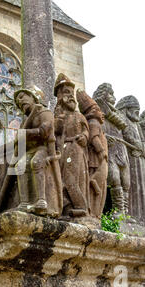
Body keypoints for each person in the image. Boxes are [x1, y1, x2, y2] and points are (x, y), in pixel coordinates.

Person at [12, 85, 62, 217]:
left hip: (43, 148)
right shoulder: (26, 120)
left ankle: (41, 200)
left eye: (23, 97)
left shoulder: (44, 113)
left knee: (36, 162)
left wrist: (25, 133)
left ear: (34, 97)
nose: (20, 101)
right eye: (18, 101)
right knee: (20, 166)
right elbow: (19, 138)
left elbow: (45, 131)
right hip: (30, 149)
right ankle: (24, 203)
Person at [54, 74, 90, 218]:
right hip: (62, 148)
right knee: (61, 178)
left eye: (72, 93)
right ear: (59, 96)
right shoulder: (58, 115)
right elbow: (55, 131)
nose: (71, 97)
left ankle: (81, 206)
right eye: (66, 93)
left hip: (75, 147)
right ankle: (66, 205)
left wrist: (84, 136)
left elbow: (86, 130)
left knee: (71, 179)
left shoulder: (79, 116)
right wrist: (59, 119)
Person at [93, 84, 131, 217]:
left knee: (126, 181)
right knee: (115, 178)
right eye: (110, 94)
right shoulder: (98, 108)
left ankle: (124, 213)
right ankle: (118, 210)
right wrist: (104, 137)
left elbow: (124, 127)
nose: (113, 98)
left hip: (121, 148)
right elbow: (95, 127)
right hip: (110, 148)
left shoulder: (116, 113)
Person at [117, 96, 145, 227]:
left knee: (142, 186)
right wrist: (137, 144)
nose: (137, 113)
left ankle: (144, 219)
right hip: (130, 158)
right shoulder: (124, 120)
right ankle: (134, 215)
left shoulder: (136, 124)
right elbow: (126, 135)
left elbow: (143, 141)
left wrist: (142, 147)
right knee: (132, 185)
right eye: (134, 110)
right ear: (126, 109)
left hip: (139, 159)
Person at [77, 89, 108, 219]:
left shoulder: (94, 122)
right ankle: (95, 213)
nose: (102, 114)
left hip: (97, 158)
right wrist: (101, 152)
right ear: (93, 111)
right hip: (96, 159)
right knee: (98, 186)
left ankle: (96, 213)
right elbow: (94, 138)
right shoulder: (94, 122)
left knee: (100, 185)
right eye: (99, 110)